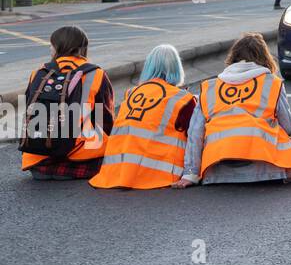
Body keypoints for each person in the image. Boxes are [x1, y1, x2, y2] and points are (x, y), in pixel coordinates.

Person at [173, 33, 291, 186]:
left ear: (232, 58)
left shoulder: (210, 87)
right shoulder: (272, 83)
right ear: (265, 58)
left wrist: (191, 174)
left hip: (217, 167)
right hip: (266, 166)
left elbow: (195, 133)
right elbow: (287, 126)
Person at [91, 45, 196, 190]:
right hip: (156, 173)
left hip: (114, 173)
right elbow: (194, 136)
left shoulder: (131, 93)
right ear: (177, 68)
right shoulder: (182, 99)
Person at [20, 26, 114, 180]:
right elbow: (106, 119)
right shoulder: (96, 74)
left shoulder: (38, 74)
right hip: (81, 159)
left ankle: (48, 165)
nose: (49, 48)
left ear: (57, 47)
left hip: (38, 161)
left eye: (50, 45)